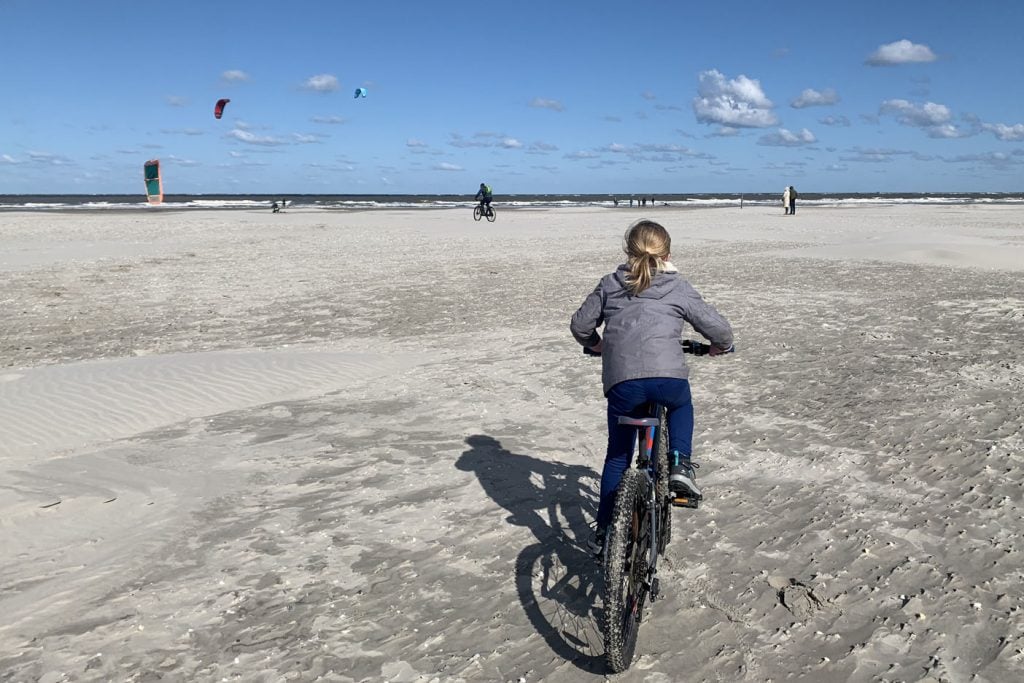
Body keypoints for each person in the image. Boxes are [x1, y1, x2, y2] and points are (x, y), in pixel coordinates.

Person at [570, 219, 733, 555]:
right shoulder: (677, 286)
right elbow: (720, 329)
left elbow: (580, 325)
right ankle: (679, 464)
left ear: (628, 251)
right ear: (668, 253)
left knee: (617, 457)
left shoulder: (610, 284)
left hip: (623, 383)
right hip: (667, 379)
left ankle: (603, 533)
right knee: (680, 405)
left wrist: (596, 344)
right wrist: (719, 346)